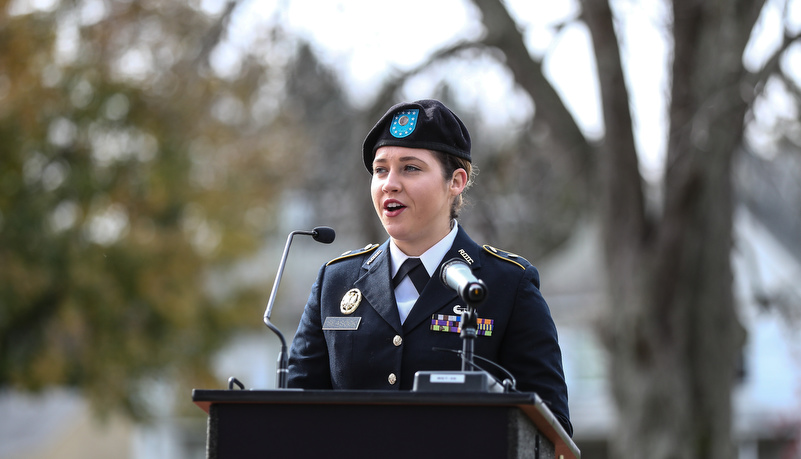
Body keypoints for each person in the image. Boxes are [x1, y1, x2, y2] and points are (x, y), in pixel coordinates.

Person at [287, 99, 572, 436]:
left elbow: (550, 430)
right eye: (380, 170)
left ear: (456, 182)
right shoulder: (336, 282)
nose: (390, 183)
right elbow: (293, 412)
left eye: (410, 168)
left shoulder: (507, 284)